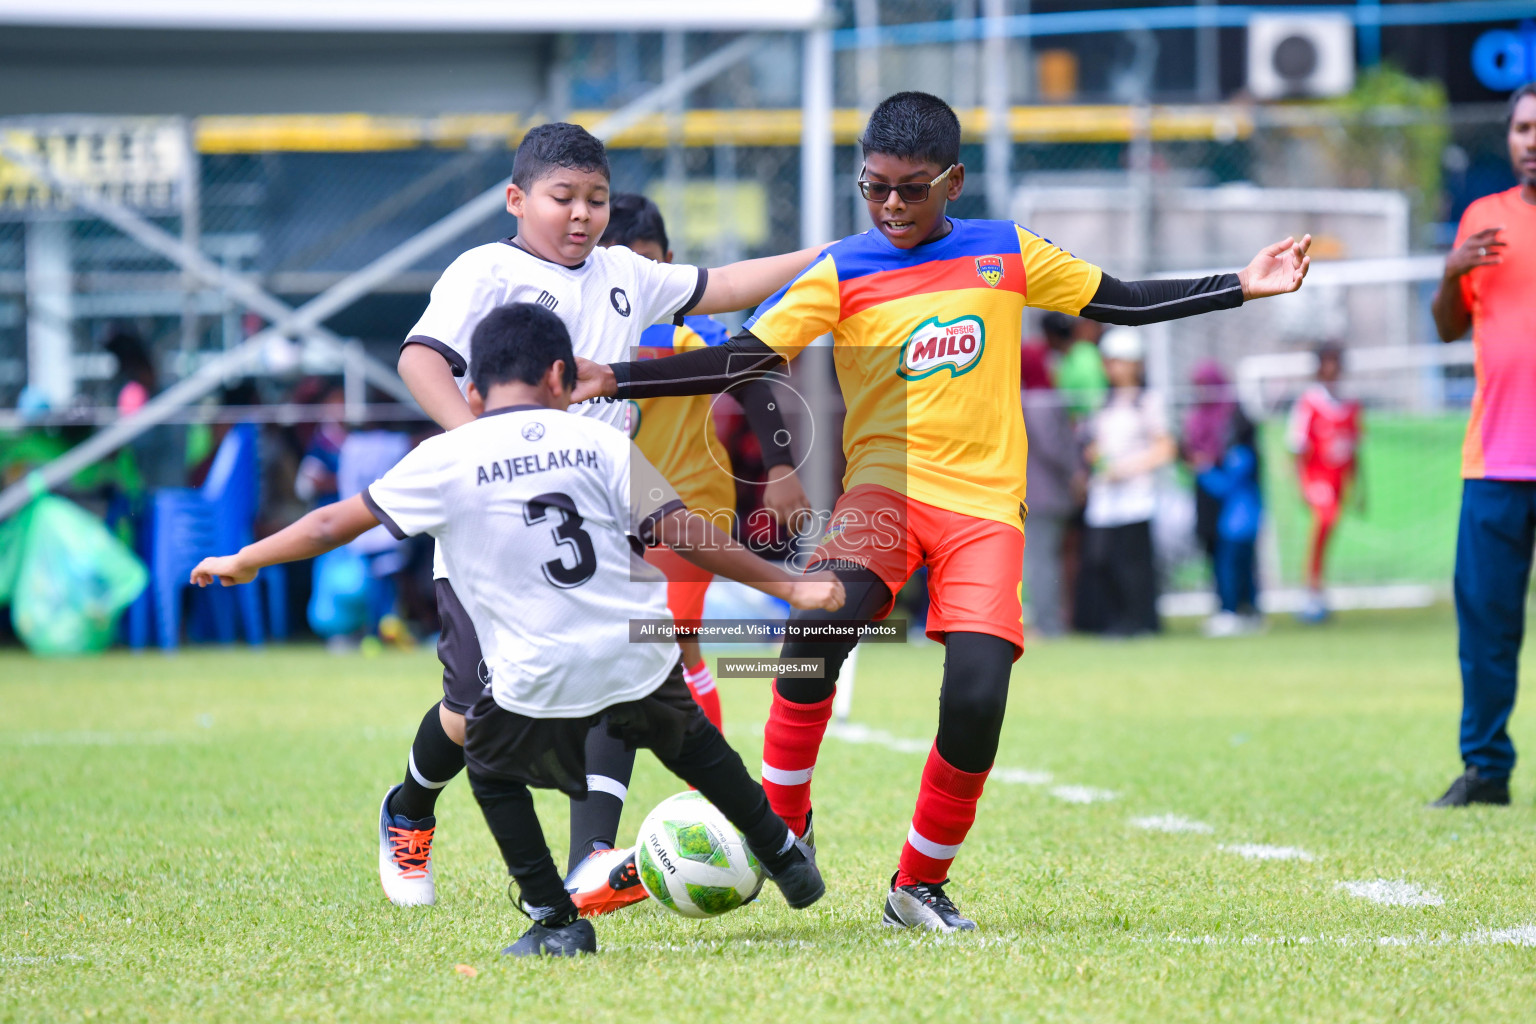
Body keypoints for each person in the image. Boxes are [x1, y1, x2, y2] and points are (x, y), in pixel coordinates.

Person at [575, 91, 1311, 931]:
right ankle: (785, 826)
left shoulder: (1006, 252)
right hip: (882, 495)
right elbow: (743, 356)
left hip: (984, 509)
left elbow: (1121, 298)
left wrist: (1241, 288)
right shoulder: (842, 269)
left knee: (975, 694)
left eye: (912, 188)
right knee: (813, 630)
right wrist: (616, 376)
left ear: (954, 181)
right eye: (874, 186)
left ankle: (917, 883)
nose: (890, 205)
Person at [190, 303, 840, 956]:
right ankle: (783, 855)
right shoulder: (604, 443)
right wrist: (787, 584)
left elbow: (333, 523)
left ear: (471, 392)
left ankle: (554, 919)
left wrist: (246, 558)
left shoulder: (446, 455)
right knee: (702, 752)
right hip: (633, 660)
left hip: (535, 673)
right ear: (561, 380)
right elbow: (683, 531)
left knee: (491, 771)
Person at [379, 121, 824, 908]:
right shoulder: (484, 269)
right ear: (517, 200)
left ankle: (590, 858)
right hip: (493, 535)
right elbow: (421, 356)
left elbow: (723, 285)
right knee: (473, 705)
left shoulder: (625, 272)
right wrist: (485, 447)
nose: (581, 214)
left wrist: (837, 256)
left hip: (605, 519)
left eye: (596, 199)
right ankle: (410, 808)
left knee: (625, 682)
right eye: (563, 198)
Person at [560, 193, 812, 914]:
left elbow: (755, 378)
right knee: (678, 658)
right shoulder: (586, 324)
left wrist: (783, 469)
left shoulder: (693, 323)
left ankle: (613, 852)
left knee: (650, 653)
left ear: (667, 263)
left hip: (689, 515)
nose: (632, 283)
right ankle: (732, 810)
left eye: (644, 267)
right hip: (611, 515)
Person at [1428, 83, 1536, 808]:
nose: (1533, 139)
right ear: (1510, 138)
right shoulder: (1482, 219)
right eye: (1524, 127)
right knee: (1487, 628)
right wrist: (1450, 273)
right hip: (1496, 463)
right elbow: (1445, 329)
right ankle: (1486, 771)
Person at [1077, 328, 1175, 637]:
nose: (1115, 367)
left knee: (1133, 564)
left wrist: (1128, 468)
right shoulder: (1101, 402)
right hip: (1105, 495)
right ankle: (1113, 621)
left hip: (1136, 496)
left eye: (1121, 361)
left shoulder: (1146, 401)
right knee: (1102, 559)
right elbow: (1094, 445)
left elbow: (1165, 448)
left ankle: (1140, 622)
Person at [1285, 341, 1361, 623]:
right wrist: (1302, 483)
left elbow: (1354, 450)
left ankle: (1316, 591)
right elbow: (1296, 447)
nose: (1332, 368)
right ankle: (1310, 592)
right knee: (1324, 523)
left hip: (1339, 480)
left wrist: (1360, 488)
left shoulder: (1350, 404)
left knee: (1328, 531)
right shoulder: (1308, 402)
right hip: (1317, 478)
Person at [1019, 342, 1077, 638]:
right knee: (1043, 561)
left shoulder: (1026, 398)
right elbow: (1053, 446)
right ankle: (1048, 623)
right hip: (1045, 495)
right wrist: (1076, 469)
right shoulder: (1040, 399)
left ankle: (1049, 622)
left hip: (1038, 495)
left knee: (1043, 560)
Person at [1195, 405, 1263, 637]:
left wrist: (1203, 470)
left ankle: (1230, 611)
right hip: (1249, 522)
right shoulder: (1251, 455)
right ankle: (1250, 611)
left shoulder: (1239, 456)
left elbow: (1224, 487)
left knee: (1228, 569)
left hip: (1235, 524)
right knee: (1246, 569)